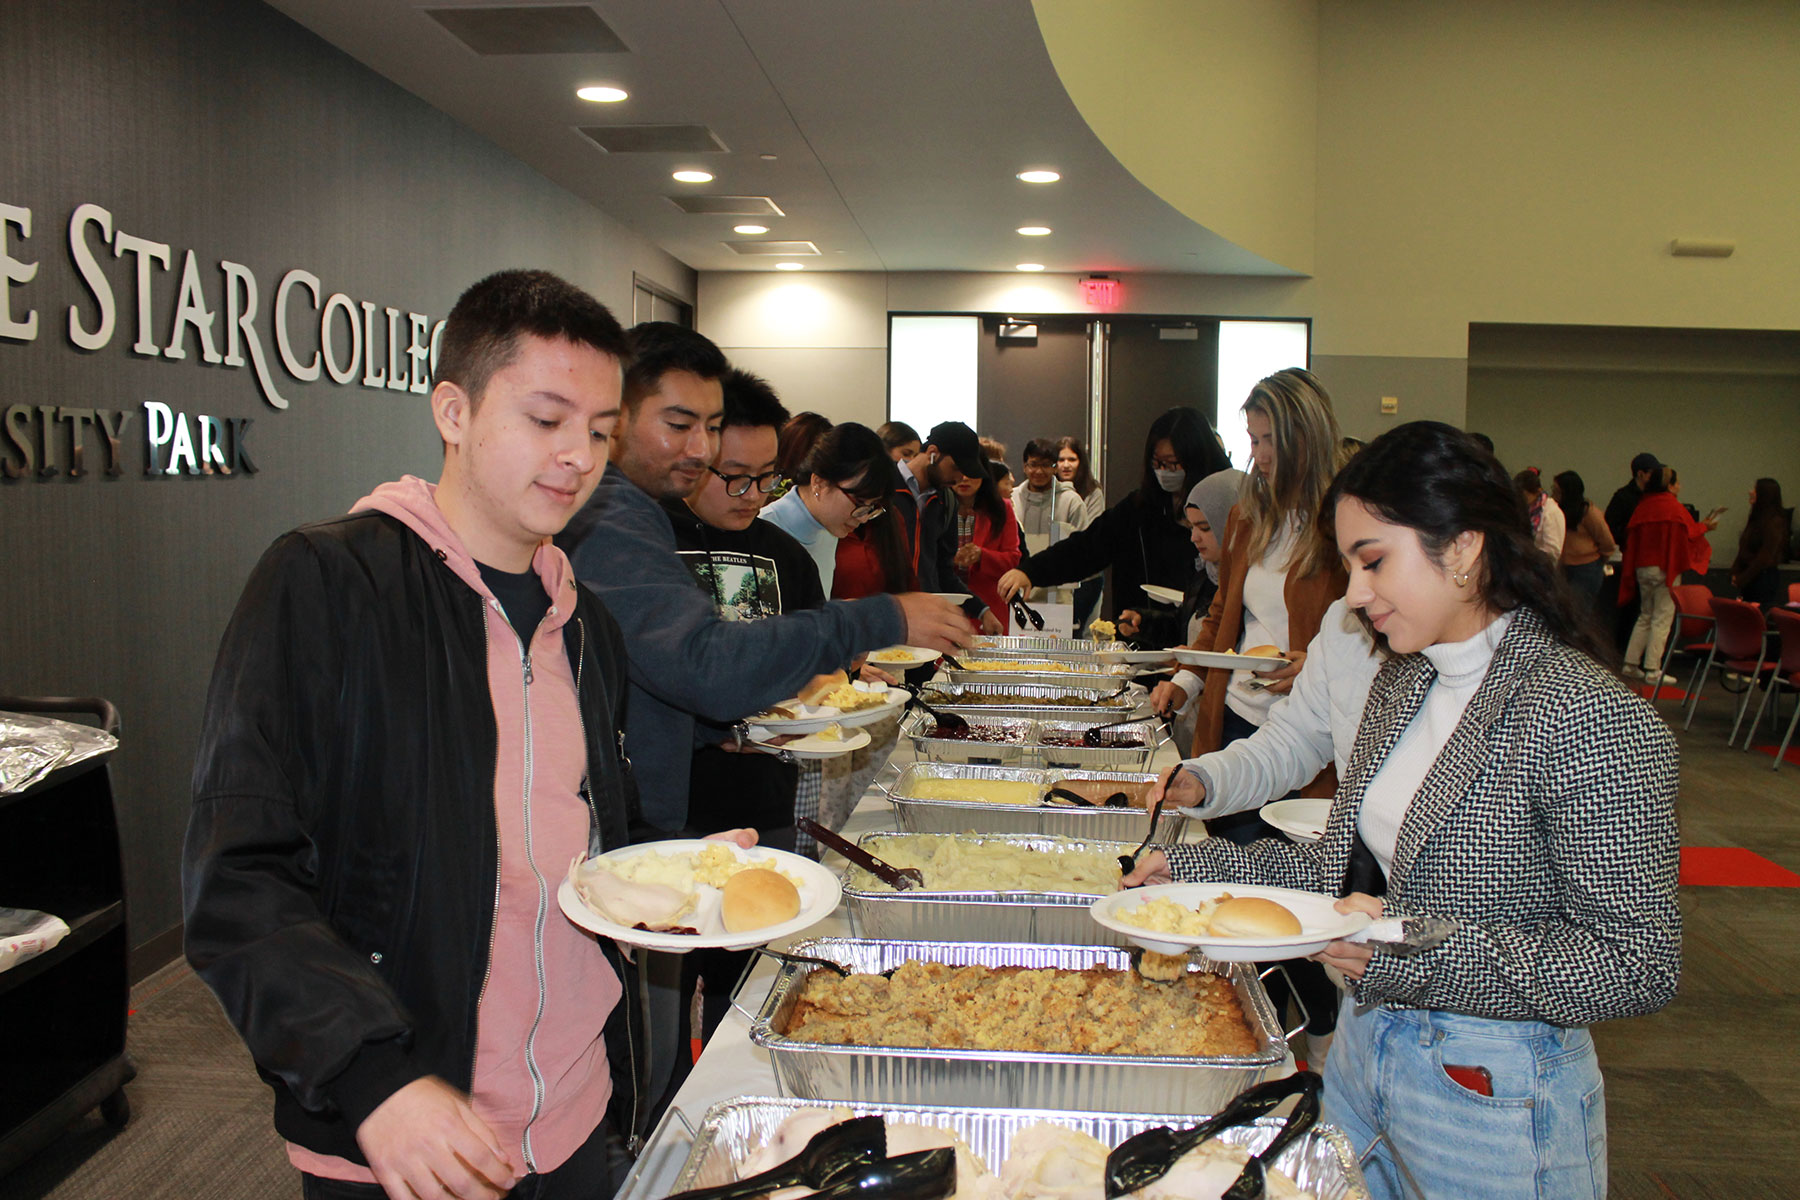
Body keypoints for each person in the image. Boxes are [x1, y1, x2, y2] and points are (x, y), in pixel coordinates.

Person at [184, 269, 658, 1200]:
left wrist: (676, 879)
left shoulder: (586, 625)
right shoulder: (327, 584)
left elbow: (568, 843)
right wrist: (372, 1079)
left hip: (573, 1112)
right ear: (454, 410)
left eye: (601, 432)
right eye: (546, 418)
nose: (578, 456)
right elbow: (237, 874)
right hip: (407, 1125)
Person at [1126, 420, 1680, 1200]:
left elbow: (1635, 961)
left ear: (1462, 549)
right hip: (1361, 1053)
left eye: (1373, 561)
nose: (1354, 593)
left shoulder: (1585, 716)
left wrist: (1410, 953)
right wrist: (1190, 869)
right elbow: (1338, 868)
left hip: (1491, 1094)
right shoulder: (1403, 681)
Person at [1173, 370, 1347, 774]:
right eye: (1254, 440)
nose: (1262, 455)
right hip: (1237, 715)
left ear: (1310, 437)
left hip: (1310, 728)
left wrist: (1320, 664)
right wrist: (1187, 681)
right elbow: (1222, 616)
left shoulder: (1342, 524)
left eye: (1274, 440)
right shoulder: (1246, 517)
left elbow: (1370, 636)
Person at [999, 408, 1231, 647]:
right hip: (1138, 645)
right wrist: (1030, 571)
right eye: (1157, 463)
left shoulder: (1226, 508)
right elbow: (1087, 547)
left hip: (1201, 649)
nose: (1164, 472)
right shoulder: (1139, 508)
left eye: (1173, 464)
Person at [1155, 469, 1243, 750]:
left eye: (1205, 528)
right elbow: (1208, 632)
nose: (1194, 537)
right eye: (1192, 527)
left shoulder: (1246, 577)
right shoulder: (1206, 573)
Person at [759, 422, 896, 594]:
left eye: (871, 507)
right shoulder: (762, 531)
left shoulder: (827, 531)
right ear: (819, 483)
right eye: (859, 503)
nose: (863, 518)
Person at [1619, 466, 1717, 684]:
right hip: (1665, 568)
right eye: (1677, 482)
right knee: (1662, 618)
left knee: (1645, 615)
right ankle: (1653, 669)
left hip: (1642, 568)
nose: (1679, 486)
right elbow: (1688, 532)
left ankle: (1630, 663)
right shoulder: (1674, 507)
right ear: (1669, 485)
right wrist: (1706, 527)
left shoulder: (1642, 506)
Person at [947, 450, 1022, 630]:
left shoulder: (1001, 509)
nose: (964, 478)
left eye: (971, 471)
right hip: (947, 606)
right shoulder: (936, 507)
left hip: (990, 607)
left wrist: (982, 555)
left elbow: (1013, 559)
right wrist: (951, 560)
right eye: (958, 471)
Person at [1013, 438, 1090, 585]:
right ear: (1024, 466)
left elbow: (1083, 549)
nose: (1039, 471)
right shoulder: (1012, 500)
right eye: (1033, 464)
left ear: (1055, 468)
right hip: (1018, 584)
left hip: (1060, 589)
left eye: (1046, 465)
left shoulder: (1071, 501)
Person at [1055, 434, 1107, 628]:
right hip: (1055, 576)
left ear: (1081, 462)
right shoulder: (1047, 494)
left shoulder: (1093, 492)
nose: (1066, 465)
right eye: (1061, 460)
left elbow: (1090, 531)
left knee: (1080, 632)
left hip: (1086, 577)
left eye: (1072, 459)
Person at [1553, 470, 1615, 613]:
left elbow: (1606, 540)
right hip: (1564, 567)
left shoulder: (1588, 512)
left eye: (1557, 492)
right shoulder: (1556, 511)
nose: (1554, 496)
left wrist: (1602, 558)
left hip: (1587, 568)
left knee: (1577, 613)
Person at [1731, 477, 1789, 608]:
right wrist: (1736, 571)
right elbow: (1744, 547)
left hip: (1762, 579)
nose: (1750, 492)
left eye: (1755, 489)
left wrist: (1742, 578)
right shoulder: (1757, 518)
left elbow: (1765, 557)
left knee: (1756, 617)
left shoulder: (1774, 521)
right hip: (1751, 577)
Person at [1515, 468, 1565, 560]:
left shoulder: (1551, 512)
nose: (1521, 501)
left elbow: (1553, 552)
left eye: (1524, 498)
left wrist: (1527, 552)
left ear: (1538, 492)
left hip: (1541, 566)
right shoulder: (1523, 509)